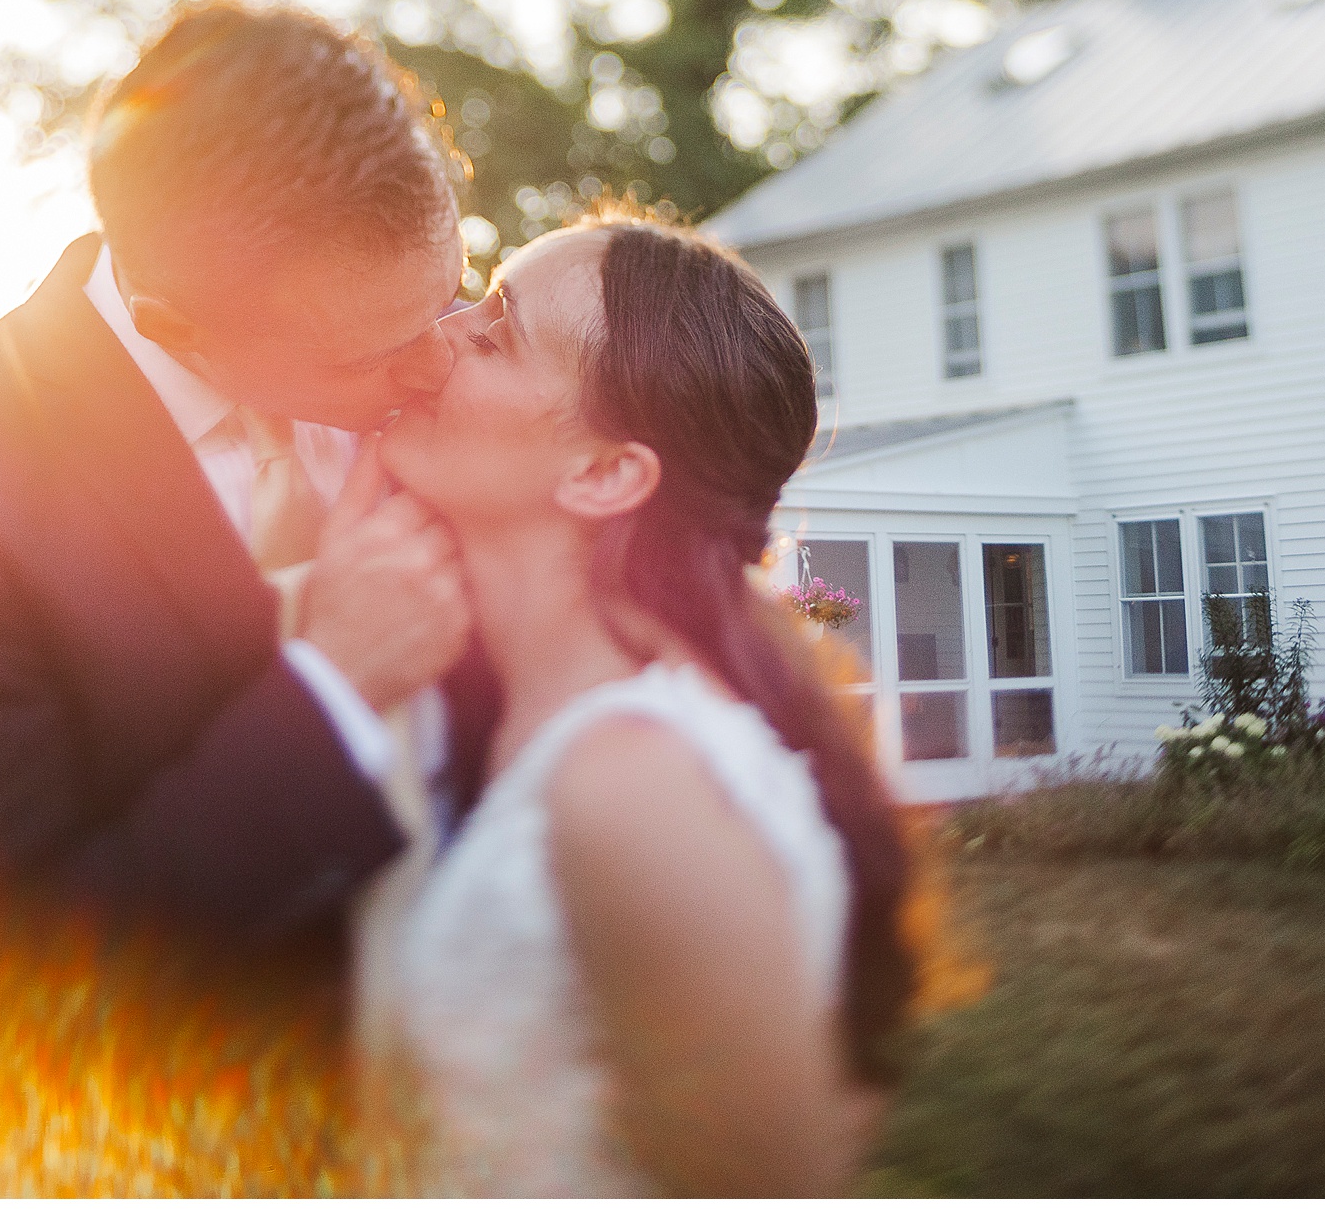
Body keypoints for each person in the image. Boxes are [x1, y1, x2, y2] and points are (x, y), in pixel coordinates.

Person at [0, 0, 492, 948]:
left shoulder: (465, 377)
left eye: (449, 289)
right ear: (180, 328)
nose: (440, 363)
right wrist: (335, 686)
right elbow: (5, 960)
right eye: (369, 353)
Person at [359, 201, 918, 1196]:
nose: (432, 338)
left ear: (606, 473)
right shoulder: (495, 710)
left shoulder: (635, 784)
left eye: (491, 333)